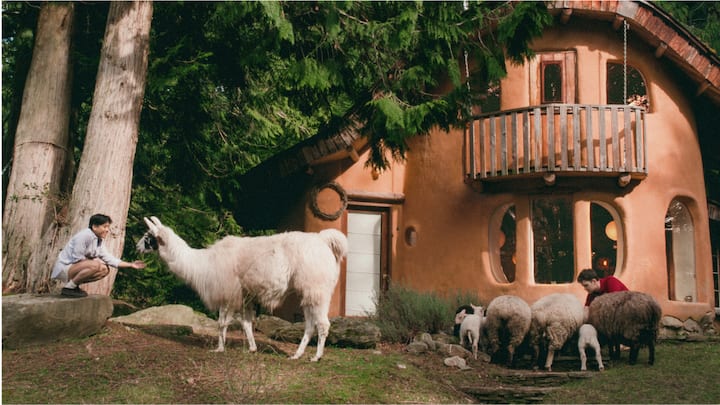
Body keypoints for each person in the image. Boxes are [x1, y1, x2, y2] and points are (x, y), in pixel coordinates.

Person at [51, 213, 146, 298]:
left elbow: (109, 259)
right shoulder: (85, 235)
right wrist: (94, 262)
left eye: (108, 227)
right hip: (64, 269)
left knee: (105, 269)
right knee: (96, 265)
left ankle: (73, 285)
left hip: (74, 269)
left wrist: (131, 264)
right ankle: (69, 288)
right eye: (105, 227)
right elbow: (77, 258)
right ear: (94, 227)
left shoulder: (98, 240)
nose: (107, 230)